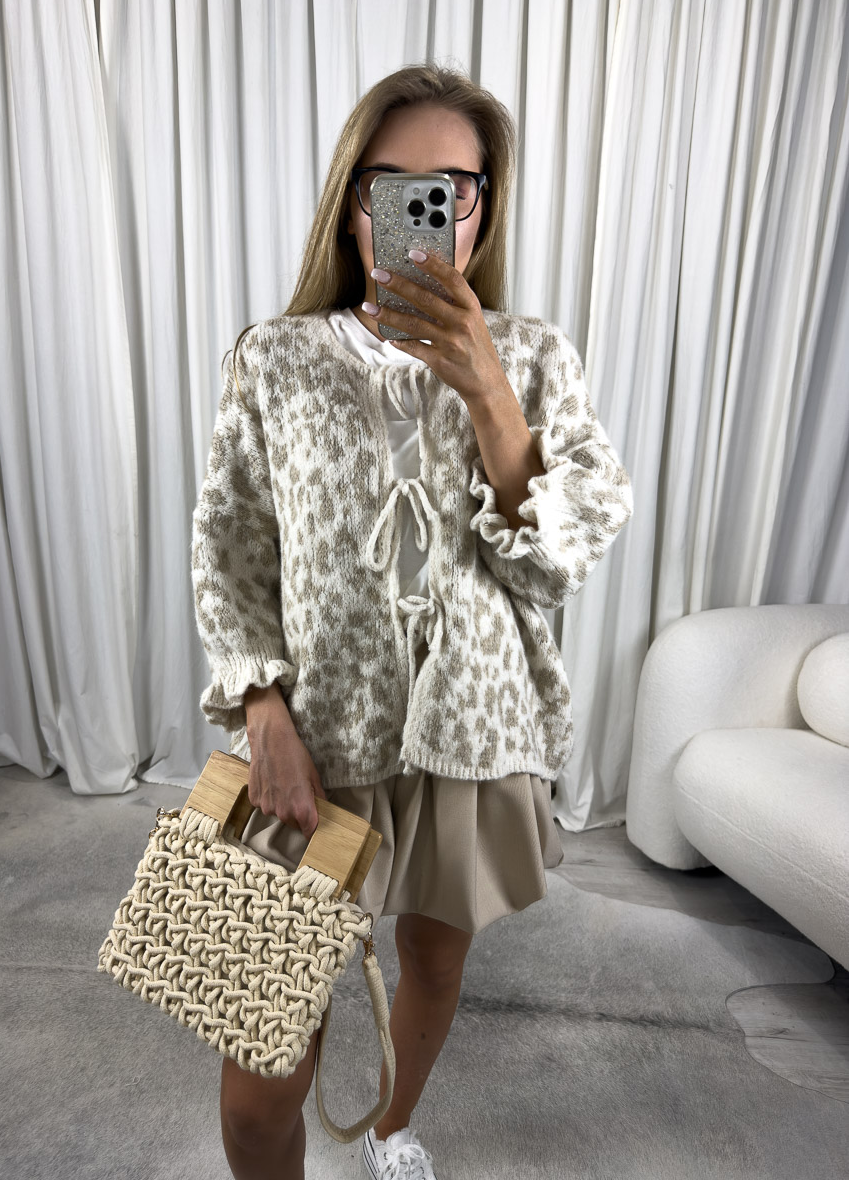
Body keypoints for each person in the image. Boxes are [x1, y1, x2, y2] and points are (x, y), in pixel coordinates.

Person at [191, 63, 634, 1180]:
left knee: (434, 964)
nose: (422, 210)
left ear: (483, 204)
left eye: (451, 187)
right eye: (389, 184)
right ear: (352, 203)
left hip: (469, 741)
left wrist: (487, 388)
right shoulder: (273, 356)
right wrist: (262, 709)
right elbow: (230, 548)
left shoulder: (533, 356)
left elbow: (562, 558)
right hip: (313, 746)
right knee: (255, 1096)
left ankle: (392, 1130)